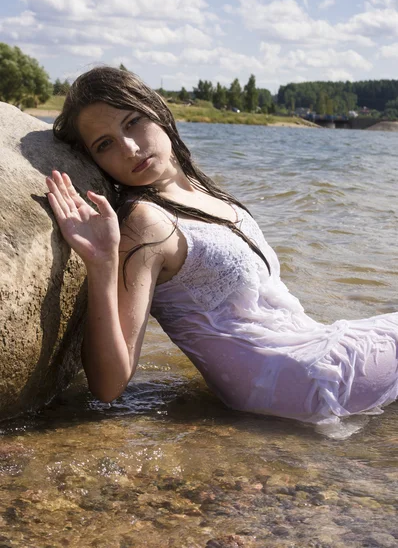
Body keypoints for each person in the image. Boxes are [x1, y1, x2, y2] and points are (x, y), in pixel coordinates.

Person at [46, 66, 398, 427]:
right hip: (300, 382)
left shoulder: (204, 192)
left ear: (158, 112)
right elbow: (109, 387)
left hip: (297, 368)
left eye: (133, 122)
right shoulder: (145, 222)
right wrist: (102, 264)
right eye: (105, 144)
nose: (130, 148)